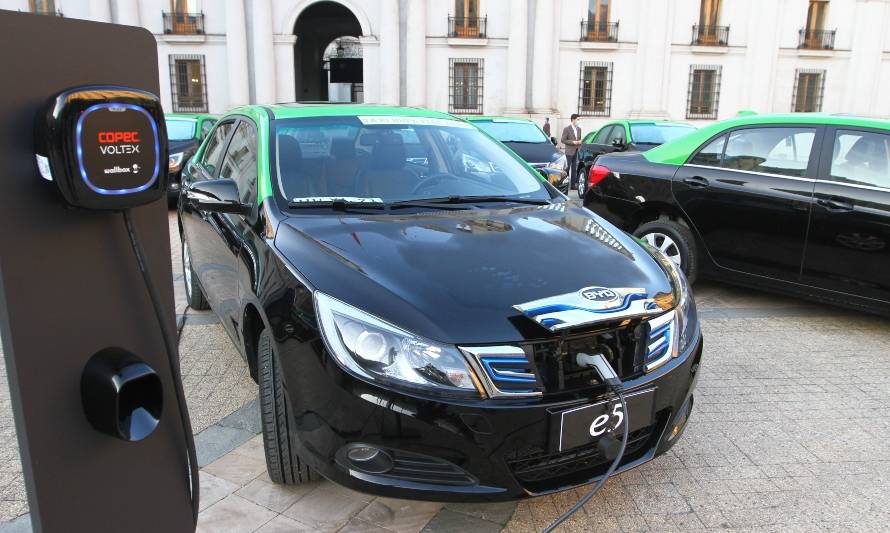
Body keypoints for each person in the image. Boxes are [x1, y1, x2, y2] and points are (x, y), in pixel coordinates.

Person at [561, 114, 582, 189]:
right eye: (578, 119)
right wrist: (573, 142)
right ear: (573, 120)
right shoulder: (567, 129)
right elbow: (563, 140)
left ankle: (573, 185)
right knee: (567, 168)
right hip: (569, 152)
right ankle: (565, 185)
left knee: (574, 169)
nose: (579, 121)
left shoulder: (579, 129)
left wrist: (580, 142)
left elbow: (579, 139)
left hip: (576, 150)